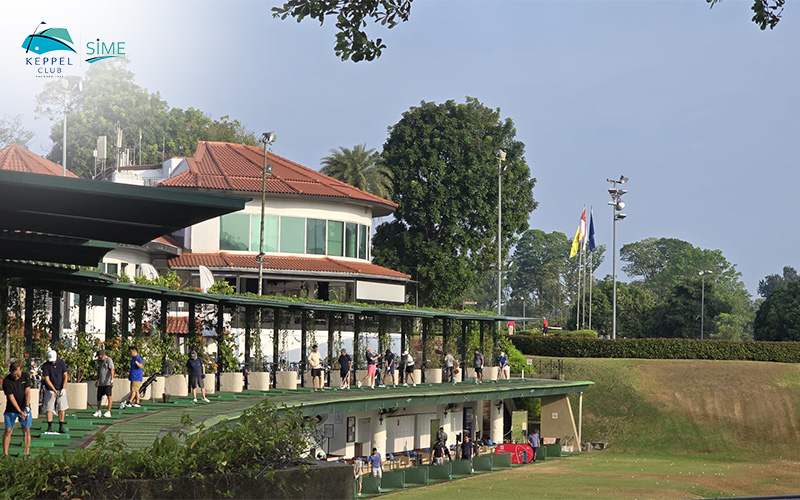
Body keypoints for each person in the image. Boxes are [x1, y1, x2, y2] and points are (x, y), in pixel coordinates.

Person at [3, 361, 32, 455]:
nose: (17, 377)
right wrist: (19, 411)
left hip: (25, 408)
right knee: (8, 430)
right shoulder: (7, 381)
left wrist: (26, 407)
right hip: (11, 410)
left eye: (18, 374)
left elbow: (27, 392)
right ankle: (5, 454)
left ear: (21, 370)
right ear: (10, 372)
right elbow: (11, 397)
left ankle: (27, 453)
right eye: (15, 374)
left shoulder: (25, 376)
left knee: (26, 430)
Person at [42, 349, 68, 434]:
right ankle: (49, 426)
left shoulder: (61, 363)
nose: (52, 362)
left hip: (61, 388)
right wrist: (54, 390)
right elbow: (47, 379)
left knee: (61, 407)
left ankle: (61, 426)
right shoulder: (46, 366)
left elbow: (65, 375)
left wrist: (63, 388)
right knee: (49, 408)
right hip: (50, 389)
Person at [94, 349, 115, 418]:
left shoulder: (109, 360)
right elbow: (98, 371)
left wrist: (112, 379)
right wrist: (97, 380)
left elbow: (112, 369)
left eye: (100, 356)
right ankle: (98, 410)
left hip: (107, 382)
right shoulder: (99, 361)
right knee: (99, 397)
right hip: (101, 382)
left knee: (109, 396)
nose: (99, 358)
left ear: (103, 355)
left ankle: (109, 411)